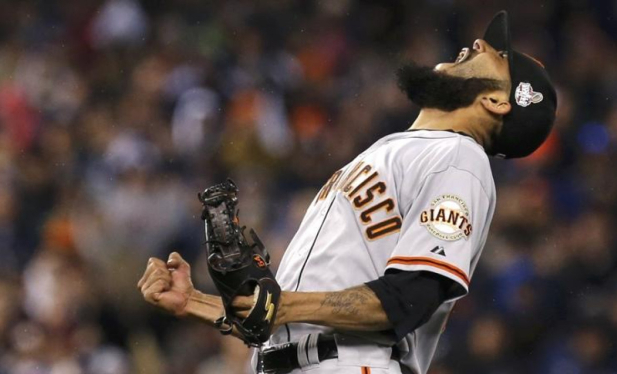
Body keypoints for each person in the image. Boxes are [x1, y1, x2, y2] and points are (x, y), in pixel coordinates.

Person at [138, 11, 556, 374]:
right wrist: (195, 302)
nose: (479, 43)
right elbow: (281, 314)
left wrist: (284, 307)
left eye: (497, 57)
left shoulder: (460, 159)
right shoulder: (400, 150)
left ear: (497, 101)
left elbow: (410, 299)